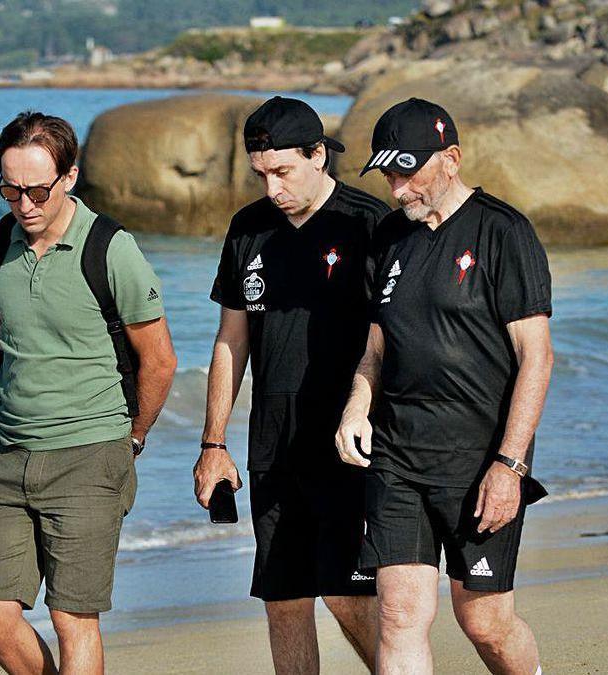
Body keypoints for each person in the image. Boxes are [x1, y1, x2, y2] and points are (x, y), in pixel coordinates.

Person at [336, 98, 553, 675]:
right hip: (399, 455)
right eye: (388, 172)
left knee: (484, 621)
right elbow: (376, 347)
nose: (397, 186)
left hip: (480, 457)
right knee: (400, 614)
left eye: (408, 170)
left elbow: (536, 355)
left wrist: (510, 465)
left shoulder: (503, 232)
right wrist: (357, 408)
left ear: (450, 159)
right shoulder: (389, 239)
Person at [0, 111, 177, 675]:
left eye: (37, 188)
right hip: (8, 455)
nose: (24, 202)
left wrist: (129, 441)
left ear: (70, 177)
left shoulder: (111, 248)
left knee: (72, 617)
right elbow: (4, 343)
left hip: (91, 456)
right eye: (10, 188)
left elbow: (159, 360)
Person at [194, 96, 390, 674]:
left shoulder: (368, 224)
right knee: (283, 600)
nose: (272, 188)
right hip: (272, 448)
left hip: (348, 446)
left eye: (283, 172)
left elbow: (396, 340)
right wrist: (213, 444)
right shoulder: (247, 228)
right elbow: (231, 339)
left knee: (347, 594)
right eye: (261, 174)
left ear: (319, 155)